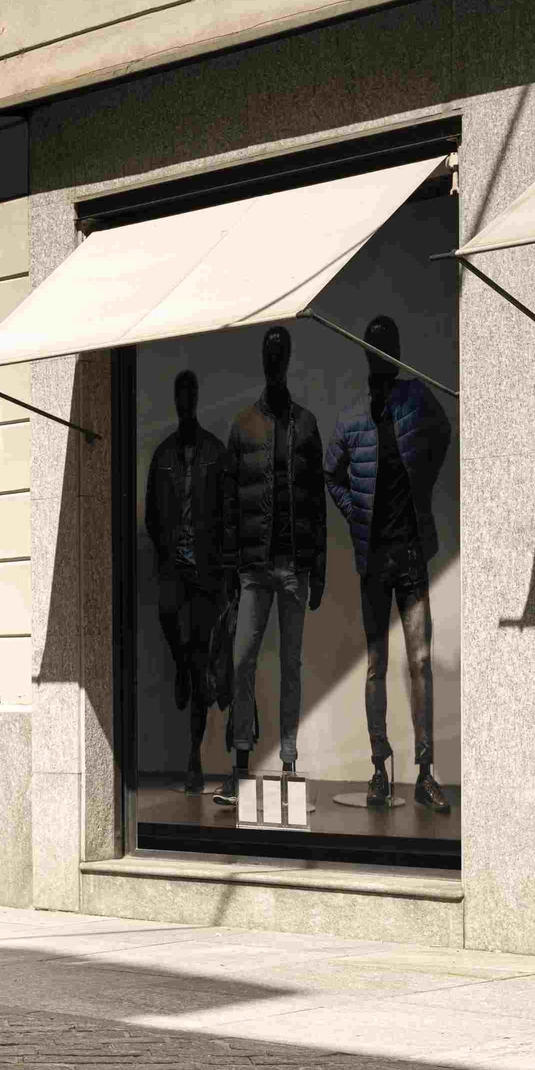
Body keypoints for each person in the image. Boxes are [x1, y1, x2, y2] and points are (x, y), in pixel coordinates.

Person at [325, 315, 452, 815]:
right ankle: (379, 769)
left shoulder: (416, 399)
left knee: (419, 662)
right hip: (373, 561)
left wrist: (420, 484)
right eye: (375, 349)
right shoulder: (354, 416)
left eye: (387, 349)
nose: (381, 356)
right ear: (366, 355)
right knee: (376, 665)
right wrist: (354, 510)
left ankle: (424, 773)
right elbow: (331, 472)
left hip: (412, 555)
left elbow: (442, 435)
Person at [214, 324, 326, 801]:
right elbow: (229, 508)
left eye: (281, 353)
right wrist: (231, 572)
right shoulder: (243, 427)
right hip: (255, 571)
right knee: (242, 661)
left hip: (294, 566)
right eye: (269, 353)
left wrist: (317, 568)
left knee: (292, 668)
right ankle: (240, 763)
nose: (275, 360)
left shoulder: (307, 424)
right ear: (263, 362)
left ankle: (288, 762)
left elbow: (317, 503)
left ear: (288, 360)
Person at [144, 370, 228, 793]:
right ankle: (178, 664)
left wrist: (224, 573)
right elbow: (151, 516)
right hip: (175, 567)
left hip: (207, 573)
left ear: (196, 398)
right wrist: (166, 551)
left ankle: (193, 757)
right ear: (175, 400)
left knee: (200, 663)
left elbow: (229, 515)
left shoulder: (216, 452)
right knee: (168, 620)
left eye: (191, 392)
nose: (186, 400)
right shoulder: (163, 457)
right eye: (180, 393)